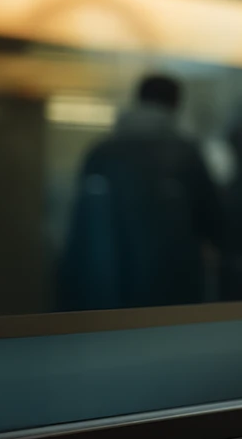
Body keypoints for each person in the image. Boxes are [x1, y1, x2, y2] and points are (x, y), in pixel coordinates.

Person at [58, 75, 226, 310]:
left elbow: (81, 226)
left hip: (107, 282)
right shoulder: (184, 154)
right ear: (176, 105)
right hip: (171, 286)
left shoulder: (101, 152)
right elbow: (213, 221)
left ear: (138, 100)